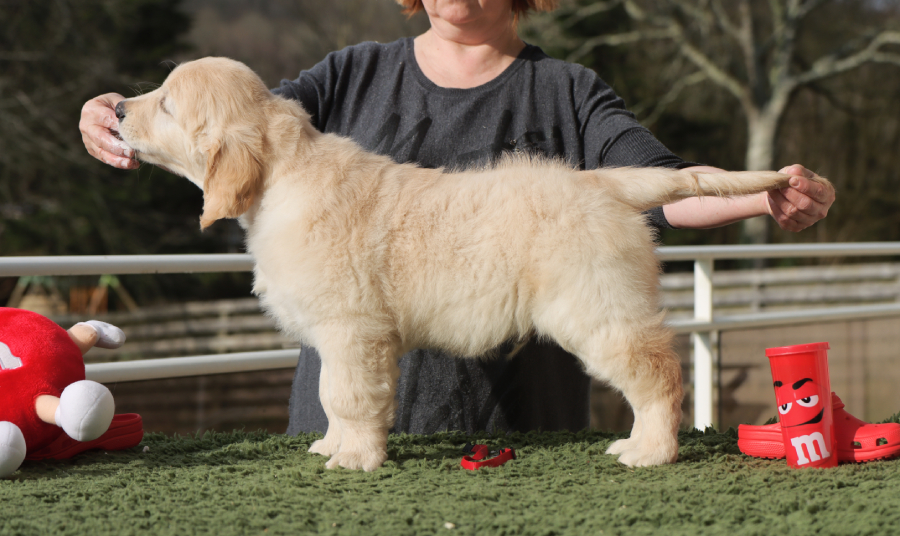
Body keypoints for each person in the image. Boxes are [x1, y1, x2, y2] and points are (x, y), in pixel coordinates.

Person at [80, 0, 835, 436]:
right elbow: (221, 130)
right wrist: (117, 115)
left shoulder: (567, 89)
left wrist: (763, 196)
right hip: (339, 429)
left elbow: (658, 186)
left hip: (515, 432)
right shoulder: (350, 73)